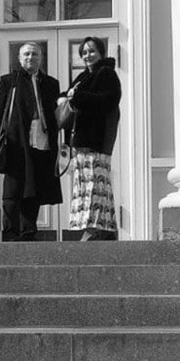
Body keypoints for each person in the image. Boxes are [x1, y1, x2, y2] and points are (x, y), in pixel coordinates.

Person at [0, 41, 63, 241]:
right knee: (13, 190)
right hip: (16, 142)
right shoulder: (9, 81)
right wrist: (1, 139)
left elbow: (56, 113)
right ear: (19, 58)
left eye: (35, 54)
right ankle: (10, 233)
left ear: (41, 58)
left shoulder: (51, 83)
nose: (31, 58)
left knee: (34, 188)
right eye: (27, 54)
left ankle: (28, 232)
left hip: (42, 141)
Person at [63, 36, 121, 240]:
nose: (88, 55)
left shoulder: (106, 73)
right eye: (84, 52)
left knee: (95, 187)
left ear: (101, 53)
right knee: (86, 187)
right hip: (81, 142)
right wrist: (64, 97)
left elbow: (109, 101)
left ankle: (94, 230)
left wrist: (77, 97)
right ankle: (98, 229)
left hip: (96, 141)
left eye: (92, 51)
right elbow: (69, 97)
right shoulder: (83, 77)